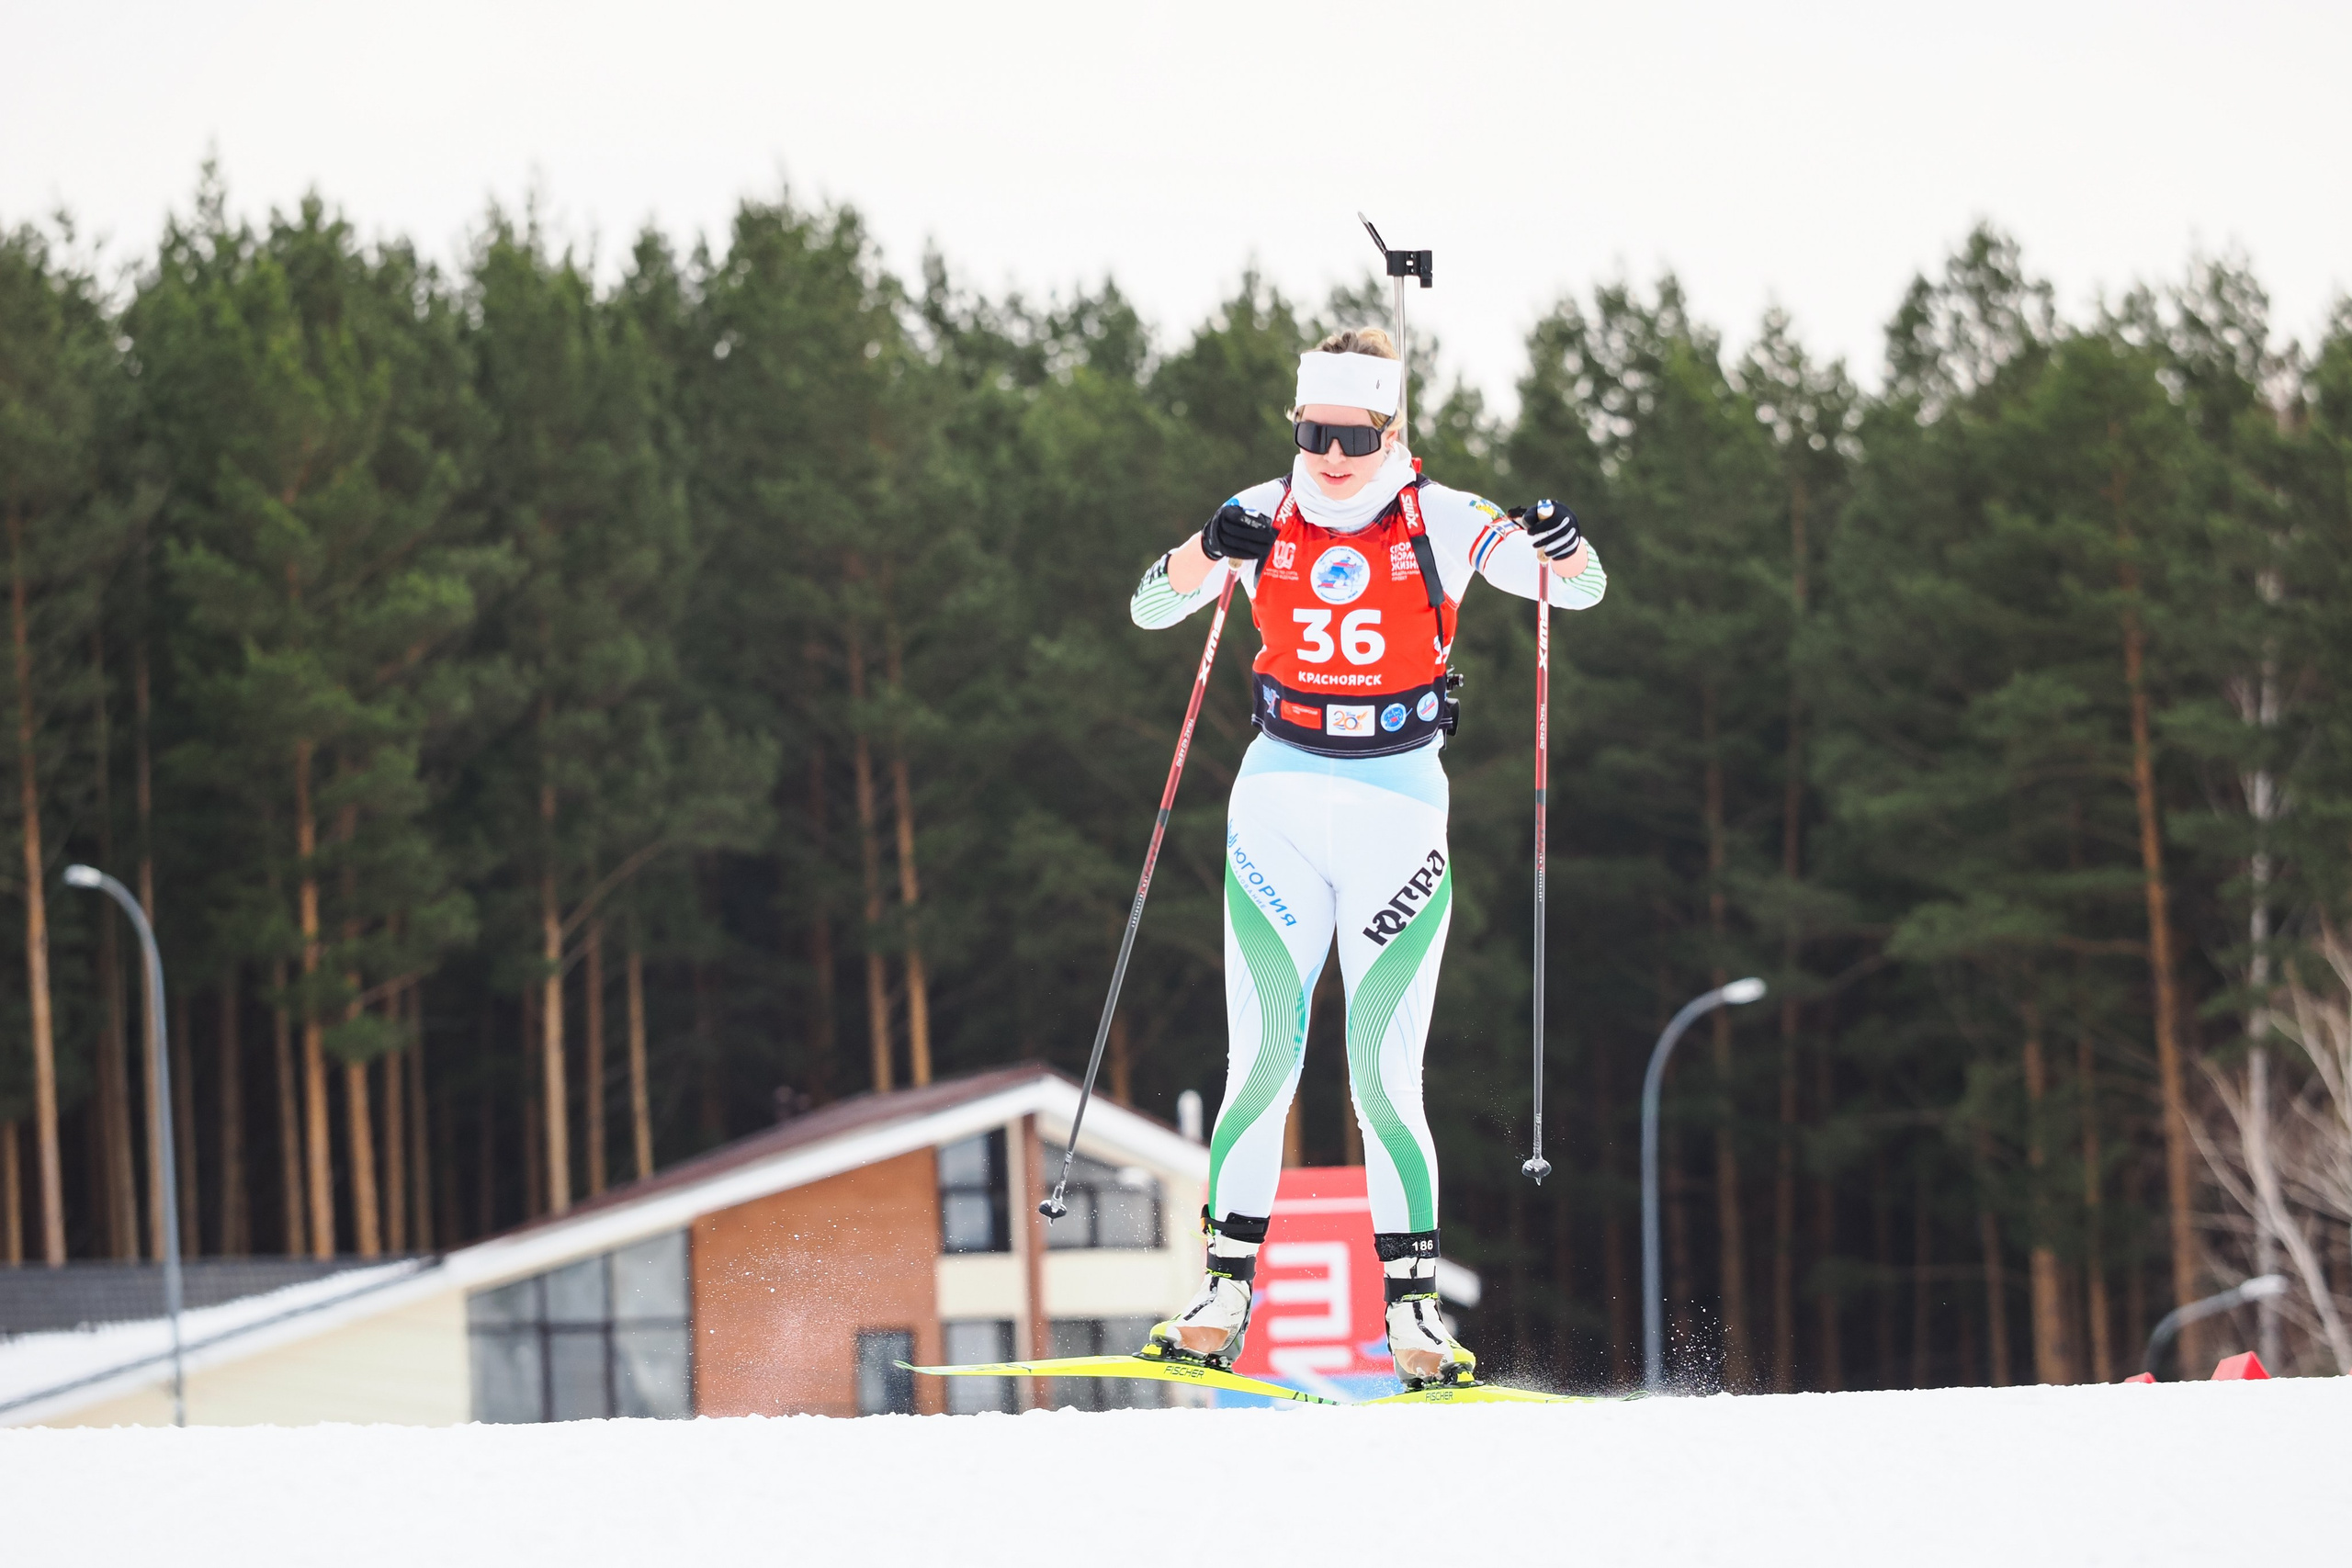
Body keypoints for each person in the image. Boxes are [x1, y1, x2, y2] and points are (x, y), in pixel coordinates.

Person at [1128, 326, 1606, 1389]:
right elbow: (1151, 605)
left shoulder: (1442, 516)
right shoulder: (1262, 509)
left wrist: (1565, 546)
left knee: (1383, 1075)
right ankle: (1224, 1289)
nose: (1332, 456)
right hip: (1278, 805)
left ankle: (1414, 1314)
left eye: (1353, 435)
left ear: (1391, 429)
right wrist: (1209, 549)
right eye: (1313, 433)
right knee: (1261, 1059)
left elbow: (1576, 594)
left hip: (1397, 815)